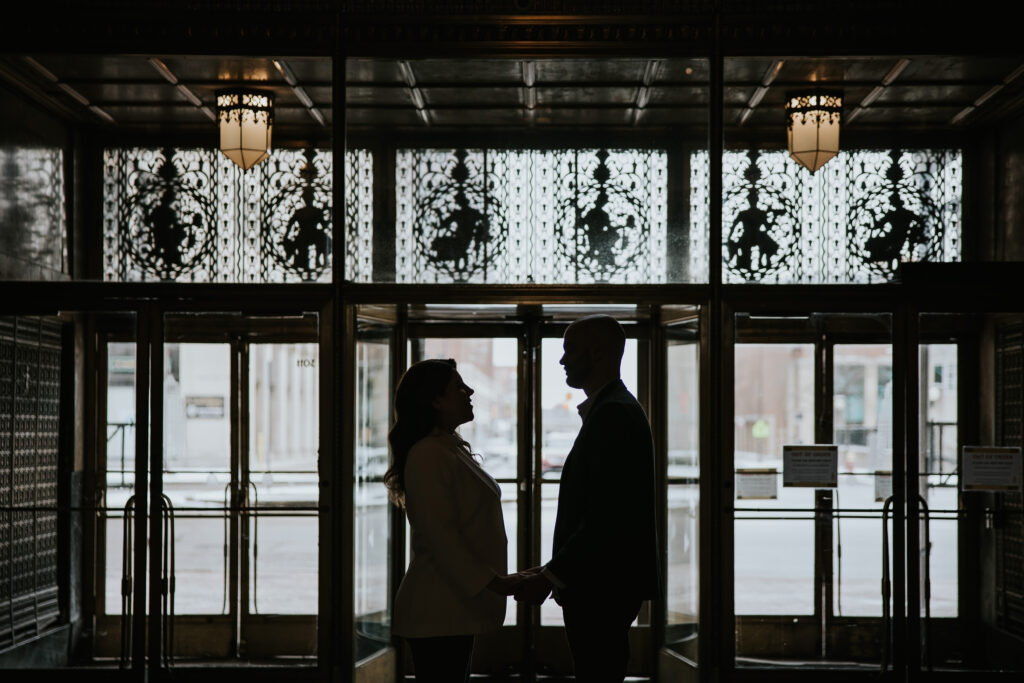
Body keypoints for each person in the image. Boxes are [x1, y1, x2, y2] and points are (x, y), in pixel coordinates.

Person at [514, 314, 659, 681]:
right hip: (606, 584)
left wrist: (551, 575)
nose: (562, 360)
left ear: (597, 352)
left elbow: (604, 519)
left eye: (569, 350)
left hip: (602, 588)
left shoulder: (612, 414)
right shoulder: (614, 409)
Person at [385, 358, 523, 682]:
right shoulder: (429, 454)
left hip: (451, 607)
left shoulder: (447, 447)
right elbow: (444, 541)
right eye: (459, 386)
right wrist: (499, 583)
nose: (470, 390)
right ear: (435, 400)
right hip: (437, 610)